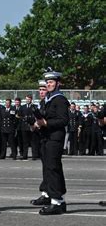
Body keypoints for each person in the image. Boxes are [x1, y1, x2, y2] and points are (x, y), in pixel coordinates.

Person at [34, 71, 69, 215]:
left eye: (51, 82)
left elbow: (63, 120)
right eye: (47, 82)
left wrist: (46, 122)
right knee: (51, 167)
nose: (48, 84)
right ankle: (57, 199)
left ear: (58, 83)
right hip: (47, 137)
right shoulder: (49, 99)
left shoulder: (59, 99)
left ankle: (57, 201)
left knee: (53, 168)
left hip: (55, 137)